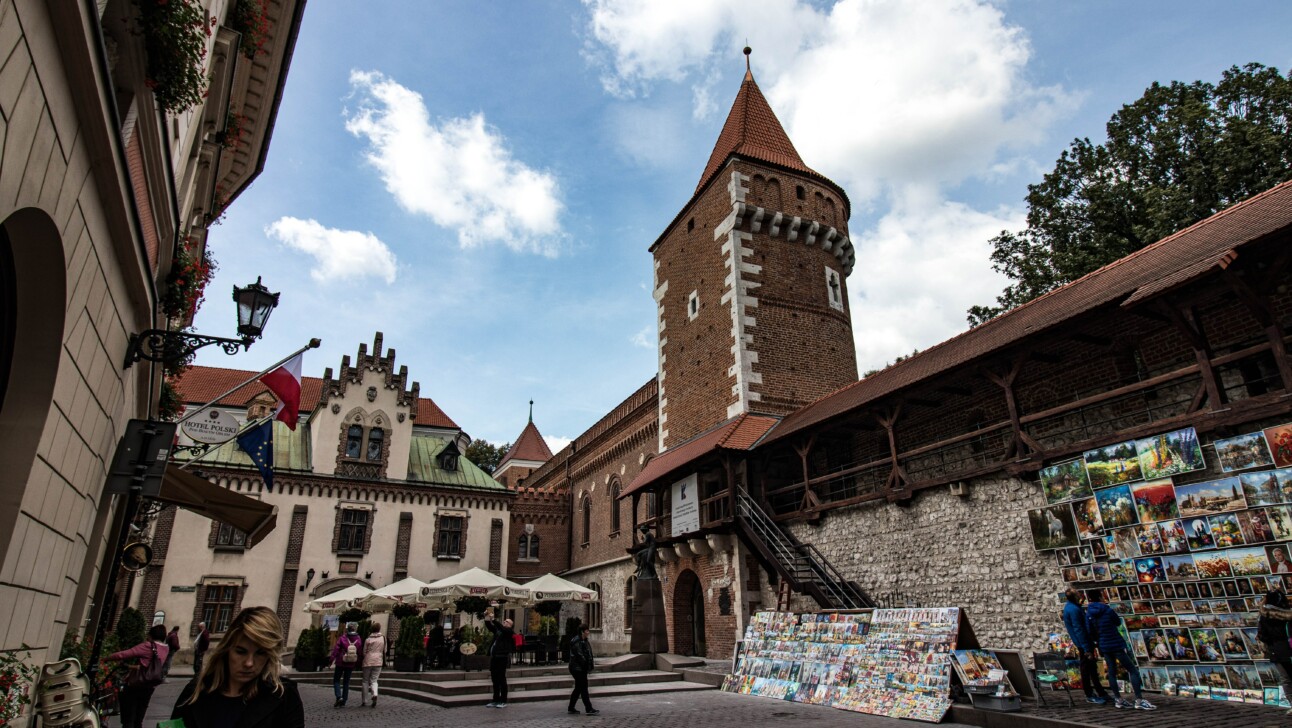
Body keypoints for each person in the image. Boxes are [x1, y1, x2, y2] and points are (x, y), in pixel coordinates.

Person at [171, 606, 305, 728]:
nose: (249, 663)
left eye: (260, 653)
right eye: (241, 652)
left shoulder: (283, 697)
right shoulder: (196, 690)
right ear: (227, 649)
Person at [1085, 591, 1154, 711]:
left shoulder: (1089, 614)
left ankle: (1118, 699)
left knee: (1111, 672)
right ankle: (1139, 700)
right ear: (1100, 597)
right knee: (1132, 670)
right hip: (1115, 643)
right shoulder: (1107, 610)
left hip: (1104, 645)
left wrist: (1098, 640)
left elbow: (1090, 631)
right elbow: (1117, 622)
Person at [106, 624, 170, 728]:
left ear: (151, 635)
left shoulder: (148, 646)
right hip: (149, 686)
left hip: (135, 684)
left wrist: (106, 658)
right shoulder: (165, 648)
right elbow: (147, 666)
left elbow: (125, 654)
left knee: (128, 718)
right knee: (139, 718)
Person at [1060, 588, 1109, 705]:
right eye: (1078, 594)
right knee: (1086, 669)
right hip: (1083, 643)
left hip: (1084, 642)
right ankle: (1090, 694)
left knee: (1092, 668)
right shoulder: (1073, 609)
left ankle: (1100, 691)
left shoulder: (1072, 607)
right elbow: (1079, 629)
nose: (1080, 595)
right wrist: (1086, 647)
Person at [1258, 589, 1292, 715]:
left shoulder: (1265, 615)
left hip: (1277, 651)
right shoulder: (1289, 615)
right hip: (1288, 649)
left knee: (1286, 679)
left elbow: (1262, 635)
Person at [483, 608, 515, 708]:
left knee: (501, 679)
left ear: (510, 625)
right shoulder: (499, 631)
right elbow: (490, 627)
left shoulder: (509, 632)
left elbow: (502, 628)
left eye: (507, 622)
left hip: (502, 657)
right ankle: (495, 699)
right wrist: (487, 618)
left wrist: (495, 619)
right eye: (504, 621)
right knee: (494, 678)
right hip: (495, 657)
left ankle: (503, 700)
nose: (505, 622)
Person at [567, 623, 599, 715]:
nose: (588, 632)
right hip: (577, 668)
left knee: (578, 688)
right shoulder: (577, 641)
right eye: (587, 631)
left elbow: (588, 654)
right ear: (582, 632)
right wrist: (585, 665)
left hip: (581, 668)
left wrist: (589, 664)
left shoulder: (584, 640)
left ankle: (571, 707)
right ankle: (588, 708)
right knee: (583, 687)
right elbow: (579, 655)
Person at [328, 623, 363, 707]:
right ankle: (344, 700)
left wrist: (331, 660)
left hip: (341, 661)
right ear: (355, 629)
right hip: (351, 662)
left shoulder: (343, 638)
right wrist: (359, 662)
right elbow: (360, 651)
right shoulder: (358, 639)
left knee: (336, 680)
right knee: (346, 682)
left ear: (347, 629)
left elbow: (336, 649)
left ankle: (338, 696)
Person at [360, 623, 386, 707]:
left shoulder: (368, 639)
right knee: (374, 680)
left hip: (368, 660)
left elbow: (364, 651)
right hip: (378, 661)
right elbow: (385, 650)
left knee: (365, 681)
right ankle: (374, 694)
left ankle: (364, 700)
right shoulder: (383, 638)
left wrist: (367, 656)